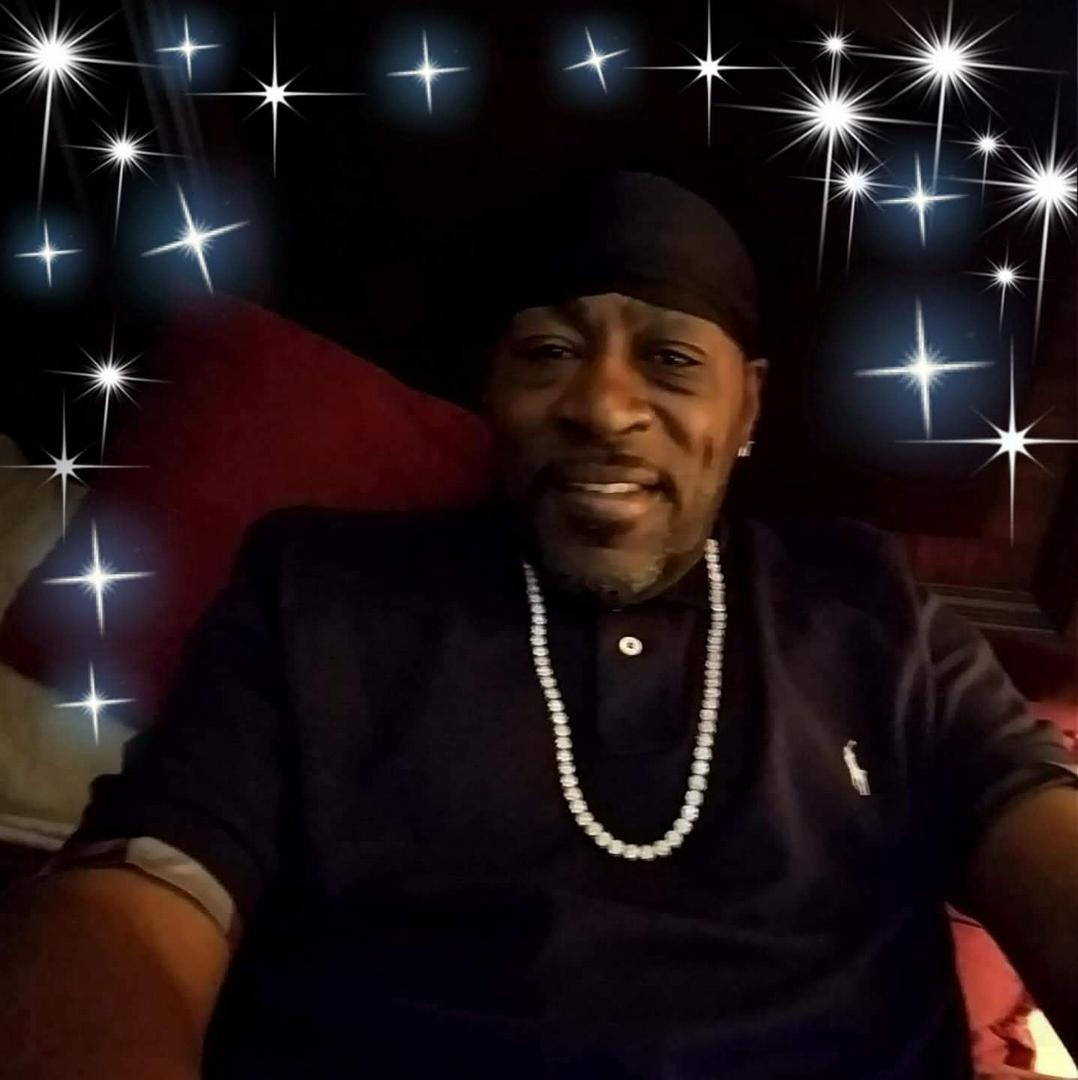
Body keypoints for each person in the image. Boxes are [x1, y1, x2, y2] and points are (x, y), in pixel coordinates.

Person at [1, 170, 1075, 1080]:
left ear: (746, 405)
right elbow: (146, 885)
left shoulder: (871, 606)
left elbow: (1033, 820)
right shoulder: (317, 588)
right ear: (493, 392)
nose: (601, 406)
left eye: (670, 359)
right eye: (549, 353)